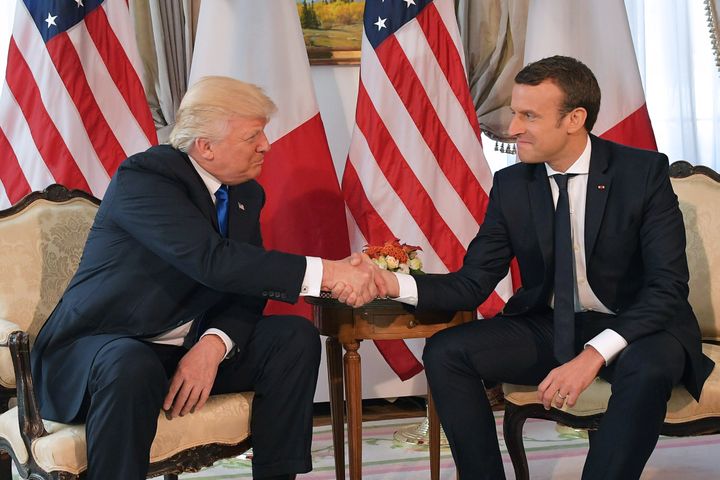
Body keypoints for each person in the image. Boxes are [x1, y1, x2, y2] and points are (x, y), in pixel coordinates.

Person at [371, 56, 714, 479]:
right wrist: (389, 283)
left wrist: (593, 354)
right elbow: (471, 283)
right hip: (553, 323)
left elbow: (666, 289)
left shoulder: (641, 174)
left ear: (574, 119)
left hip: (640, 326)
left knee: (648, 368)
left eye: (528, 115)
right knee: (447, 351)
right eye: (515, 112)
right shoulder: (513, 185)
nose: (513, 128)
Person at [30, 76, 382, 480]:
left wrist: (213, 345)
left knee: (292, 338)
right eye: (253, 135)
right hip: (101, 347)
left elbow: (245, 288)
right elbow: (212, 261)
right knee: (131, 362)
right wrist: (325, 271)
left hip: (179, 351)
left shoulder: (246, 193)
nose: (266, 145)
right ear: (206, 147)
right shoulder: (146, 178)